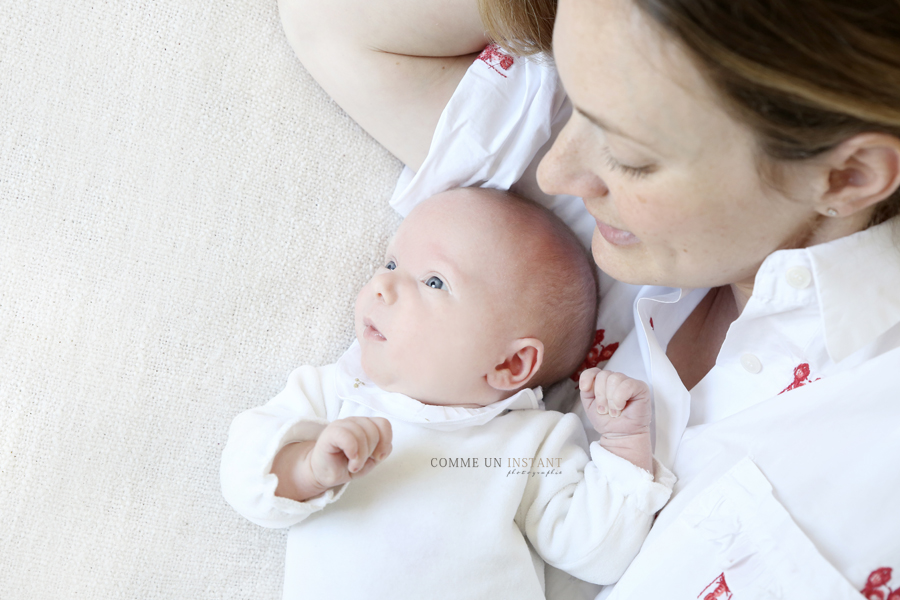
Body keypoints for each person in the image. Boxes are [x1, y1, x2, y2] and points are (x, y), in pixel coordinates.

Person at [278, 0, 900, 597]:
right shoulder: (540, 240)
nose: (556, 173)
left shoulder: (866, 433)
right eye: (576, 100)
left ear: (846, 177)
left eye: (631, 158)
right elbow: (331, 20)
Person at [220, 188, 675, 600]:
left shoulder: (532, 443)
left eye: (433, 281)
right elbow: (244, 476)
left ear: (510, 365)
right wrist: (307, 468)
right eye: (392, 263)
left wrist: (623, 445)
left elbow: (595, 553)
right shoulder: (338, 393)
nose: (382, 284)